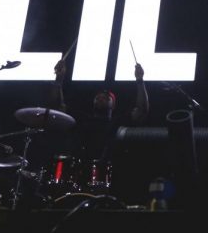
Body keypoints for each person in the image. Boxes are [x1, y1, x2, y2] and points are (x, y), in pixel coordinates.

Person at [48, 60, 150, 193]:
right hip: (79, 173)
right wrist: (59, 79)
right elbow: (57, 107)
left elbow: (142, 110)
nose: (101, 98)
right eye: (98, 98)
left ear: (113, 105)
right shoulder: (82, 119)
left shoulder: (118, 121)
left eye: (106, 98)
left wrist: (140, 81)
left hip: (113, 174)